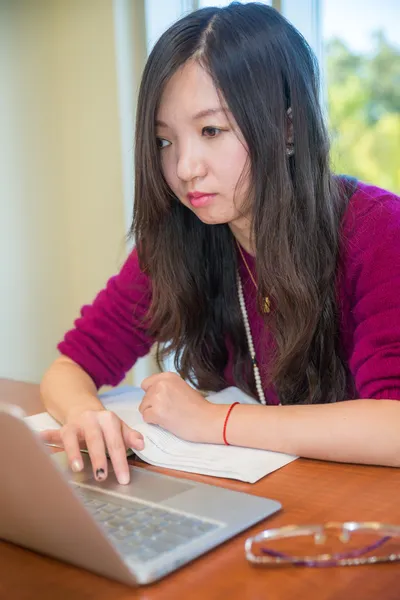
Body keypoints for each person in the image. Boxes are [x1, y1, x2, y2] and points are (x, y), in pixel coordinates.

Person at [40, 2, 400, 485]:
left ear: (289, 127)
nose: (186, 167)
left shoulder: (376, 229)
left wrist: (215, 422)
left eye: (212, 130)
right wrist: (84, 412)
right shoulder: (181, 236)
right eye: (165, 141)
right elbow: (70, 365)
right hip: (276, 497)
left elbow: (393, 425)